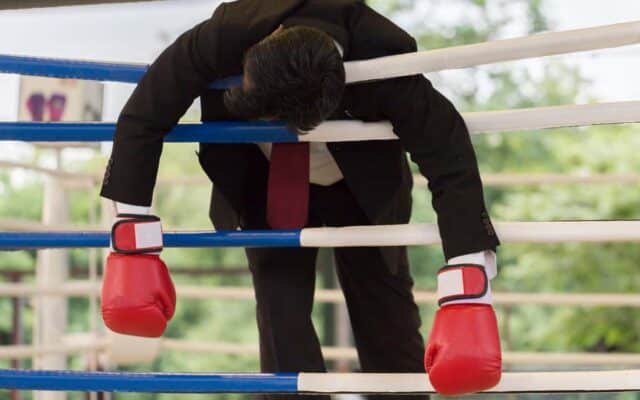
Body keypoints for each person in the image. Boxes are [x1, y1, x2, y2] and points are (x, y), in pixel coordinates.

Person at [99, 0, 502, 397]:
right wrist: (132, 238)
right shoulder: (225, 33)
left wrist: (468, 283)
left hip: (361, 184)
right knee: (280, 311)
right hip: (264, 178)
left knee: (385, 314)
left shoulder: (383, 58)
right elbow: (143, 115)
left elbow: (448, 153)